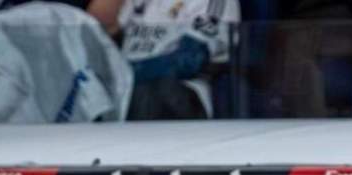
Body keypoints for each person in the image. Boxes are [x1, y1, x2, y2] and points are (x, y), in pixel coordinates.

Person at [87, 0, 240, 119]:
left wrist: (123, 75)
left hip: (179, 94)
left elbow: (189, 61)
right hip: (126, 90)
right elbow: (97, 31)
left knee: (150, 92)